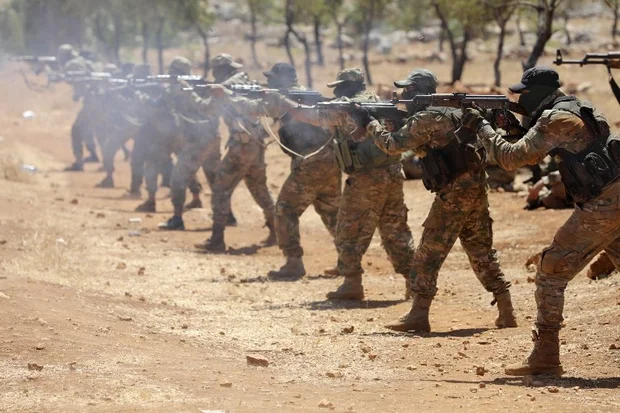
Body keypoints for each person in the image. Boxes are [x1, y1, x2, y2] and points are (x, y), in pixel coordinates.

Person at [461, 66, 620, 376]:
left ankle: (546, 354)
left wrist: (481, 125)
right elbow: (536, 148)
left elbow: (510, 159)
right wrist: (512, 129)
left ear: (537, 94)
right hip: (613, 198)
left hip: (603, 205)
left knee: (551, 270)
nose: (520, 99)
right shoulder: (577, 108)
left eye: (524, 94)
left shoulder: (554, 118)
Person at [353, 69, 515, 332]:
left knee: (428, 253)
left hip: (454, 193)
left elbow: (392, 146)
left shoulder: (426, 117)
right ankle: (507, 311)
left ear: (416, 91)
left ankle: (418, 315)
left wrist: (370, 122)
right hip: (475, 188)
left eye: (407, 90)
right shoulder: (453, 111)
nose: (403, 95)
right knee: (481, 252)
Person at [268, 68, 415, 299]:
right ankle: (413, 283)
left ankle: (352, 284)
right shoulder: (378, 101)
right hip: (393, 173)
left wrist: (283, 102)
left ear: (346, 86)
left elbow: (308, 115)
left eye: (338, 87)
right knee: (395, 229)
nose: (336, 92)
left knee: (348, 230)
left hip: (366, 179)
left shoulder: (345, 108)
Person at [208, 63, 341, 279]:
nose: (268, 81)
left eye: (271, 78)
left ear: (282, 79)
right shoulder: (305, 93)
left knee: (285, 211)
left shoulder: (284, 98)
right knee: (331, 212)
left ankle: (293, 262)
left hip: (310, 163)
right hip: (331, 160)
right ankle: (348, 263)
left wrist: (227, 95)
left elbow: (252, 108)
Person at [195, 54, 275, 252]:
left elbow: (207, 110)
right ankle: (277, 232)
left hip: (241, 147)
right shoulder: (245, 80)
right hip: (256, 144)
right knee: (259, 189)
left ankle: (217, 240)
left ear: (218, 70)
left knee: (220, 189)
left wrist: (191, 95)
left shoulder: (224, 88)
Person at [134, 57, 206, 213]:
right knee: (186, 165)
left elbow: (158, 106)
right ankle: (196, 197)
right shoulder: (194, 87)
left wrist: (142, 98)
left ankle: (151, 200)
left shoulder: (173, 89)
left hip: (166, 133)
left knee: (152, 164)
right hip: (184, 133)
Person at [58, 44, 99, 171]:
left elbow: (78, 82)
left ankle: (79, 162)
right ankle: (93, 155)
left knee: (76, 130)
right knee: (88, 128)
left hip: (93, 101)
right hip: (100, 99)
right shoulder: (83, 61)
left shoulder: (72, 64)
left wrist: (78, 94)